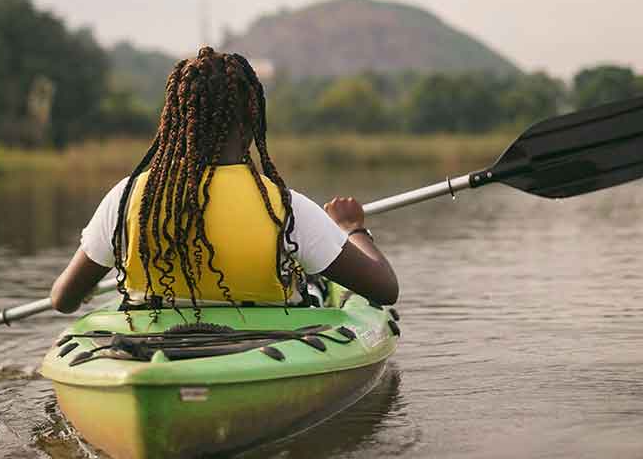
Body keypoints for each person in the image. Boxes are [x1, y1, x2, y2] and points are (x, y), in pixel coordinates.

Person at [50, 47, 398, 315]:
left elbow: (63, 299)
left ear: (175, 120)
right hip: (266, 349)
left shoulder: (127, 198)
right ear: (252, 119)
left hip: (148, 345)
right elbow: (384, 289)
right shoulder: (285, 209)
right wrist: (352, 228)